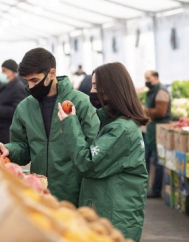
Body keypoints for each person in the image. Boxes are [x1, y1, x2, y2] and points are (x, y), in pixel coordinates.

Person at [0, 48, 99, 206]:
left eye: (34, 80)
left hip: (74, 194)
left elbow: (92, 150)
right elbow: (24, 147)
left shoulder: (81, 103)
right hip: (39, 194)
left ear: (52, 73)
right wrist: (9, 149)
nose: (31, 86)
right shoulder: (25, 108)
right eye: (27, 81)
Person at [57, 62, 149, 242]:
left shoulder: (121, 129)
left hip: (115, 216)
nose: (91, 91)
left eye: (95, 86)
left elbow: (88, 163)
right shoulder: (114, 124)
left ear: (110, 89)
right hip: (109, 210)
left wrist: (70, 123)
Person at [0, 59, 28, 144]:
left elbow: (17, 110)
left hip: (4, 131)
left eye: (4, 71)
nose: (2, 73)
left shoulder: (18, 88)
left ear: (12, 72)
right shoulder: (6, 85)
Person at [143, 70, 171, 198]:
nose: (146, 81)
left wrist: (144, 110)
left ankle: (156, 189)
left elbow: (160, 112)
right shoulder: (152, 91)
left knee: (157, 161)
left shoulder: (161, 92)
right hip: (151, 130)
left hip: (159, 130)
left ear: (155, 78)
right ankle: (147, 187)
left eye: (148, 78)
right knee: (148, 159)